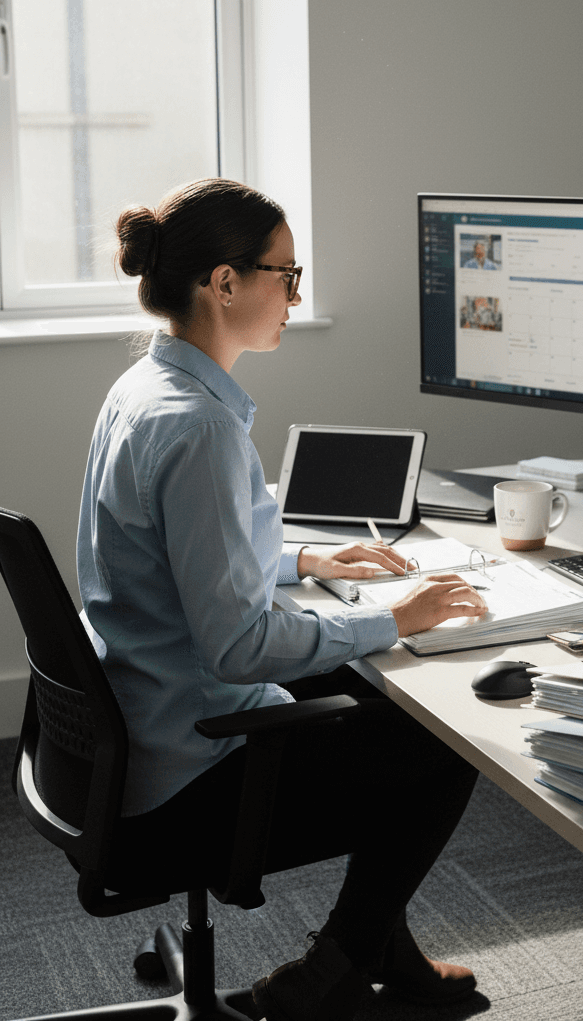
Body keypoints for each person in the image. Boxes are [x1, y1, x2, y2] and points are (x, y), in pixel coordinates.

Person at [77, 178, 488, 1021]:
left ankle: (377, 946)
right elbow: (239, 648)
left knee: (381, 701)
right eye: (286, 274)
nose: (296, 296)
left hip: (136, 726)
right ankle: (337, 968)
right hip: (191, 769)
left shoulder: (146, 389)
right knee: (442, 740)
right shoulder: (199, 427)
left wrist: (303, 559)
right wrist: (393, 618)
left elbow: (182, 559)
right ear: (224, 283)